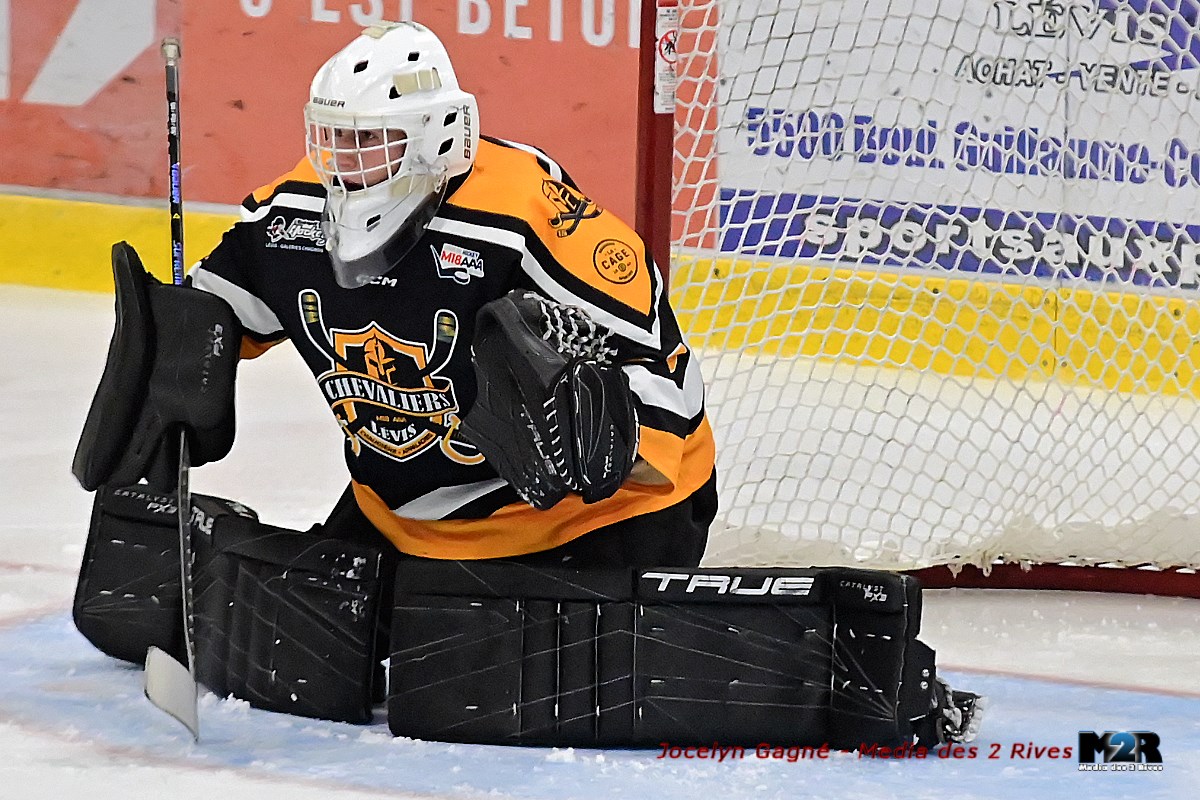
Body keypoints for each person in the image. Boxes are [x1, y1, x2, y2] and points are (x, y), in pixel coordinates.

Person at [187, 20, 718, 574]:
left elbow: (672, 391)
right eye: (334, 137)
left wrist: (606, 437)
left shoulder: (525, 217)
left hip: (588, 525)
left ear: (433, 135)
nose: (345, 162)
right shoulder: (291, 216)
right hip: (405, 525)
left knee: (496, 659)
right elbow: (212, 319)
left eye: (368, 139)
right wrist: (167, 345)